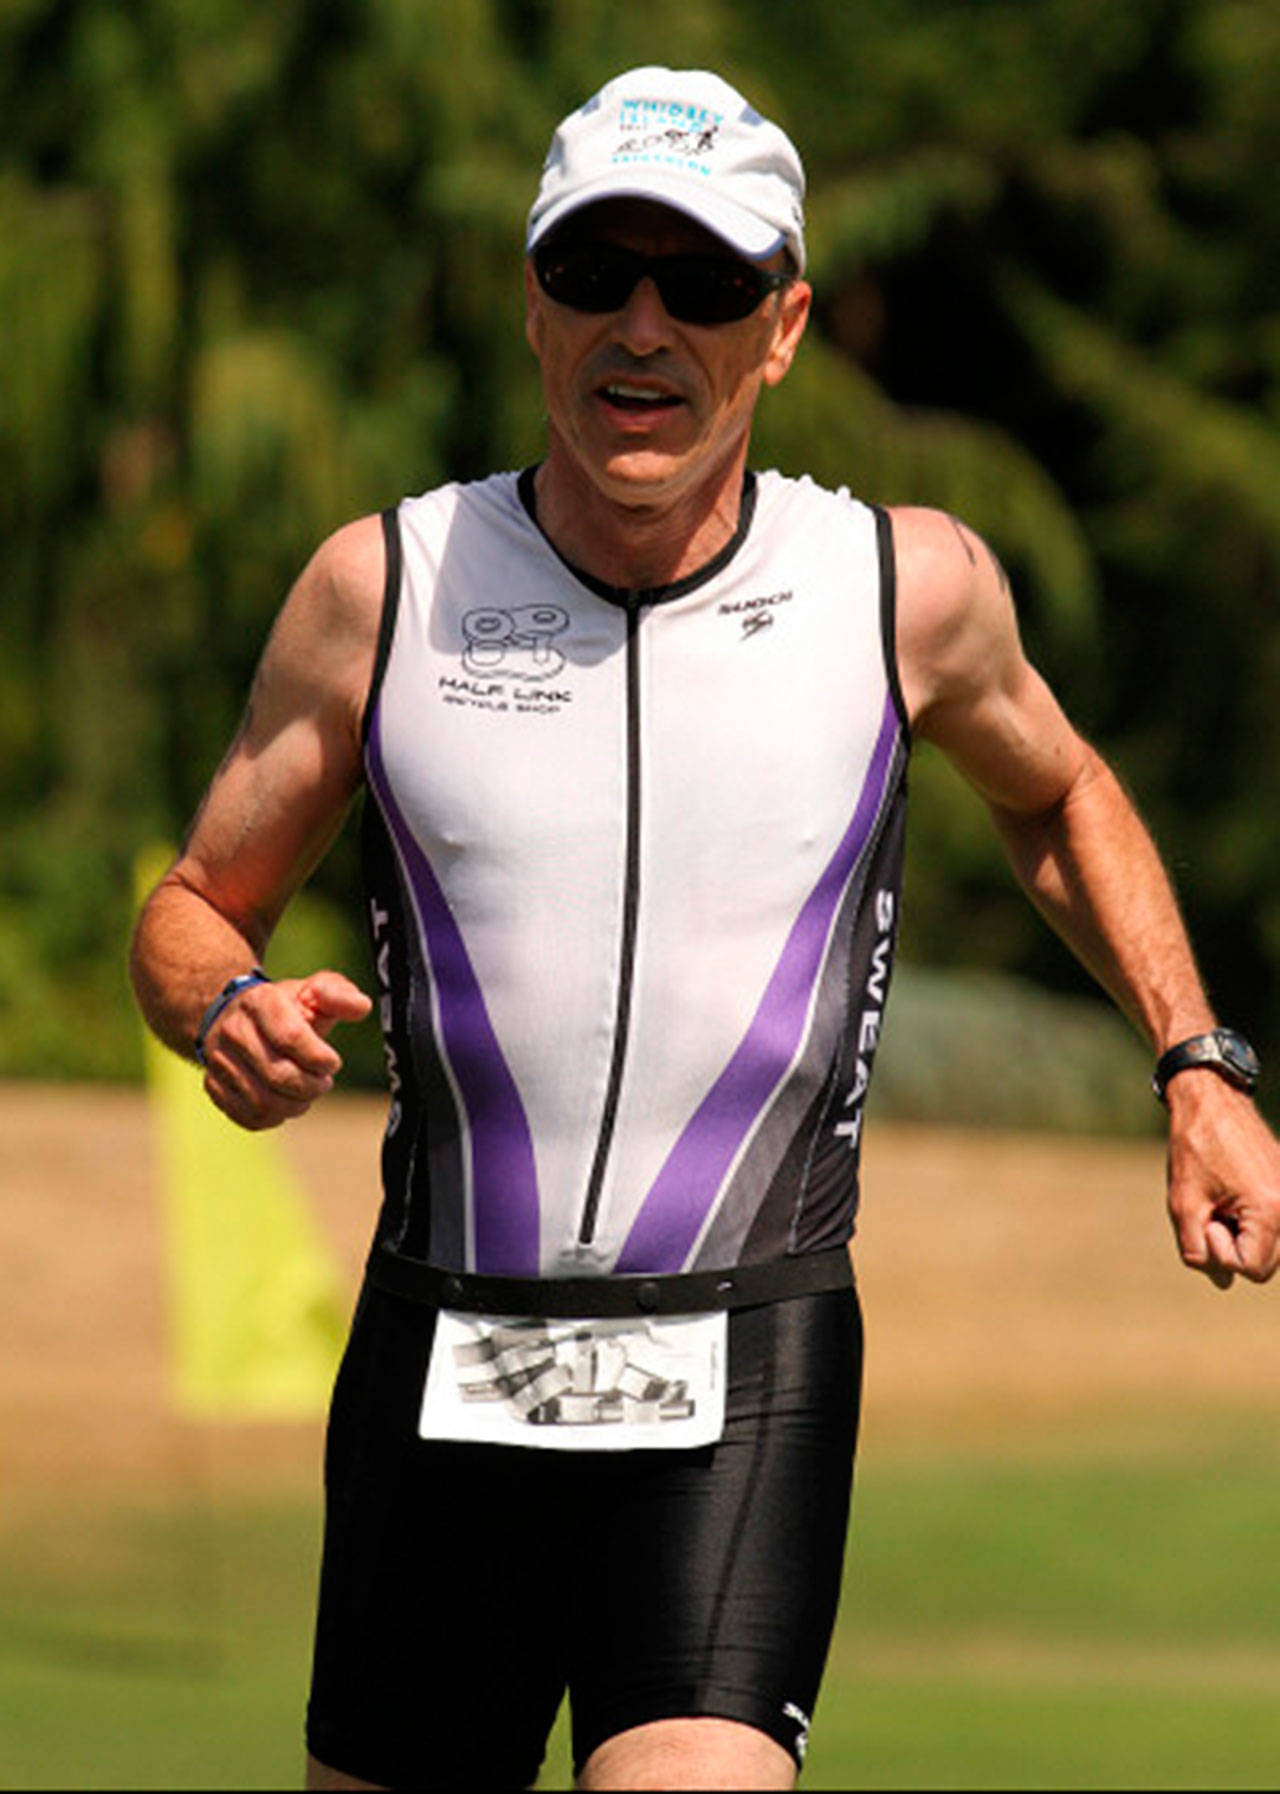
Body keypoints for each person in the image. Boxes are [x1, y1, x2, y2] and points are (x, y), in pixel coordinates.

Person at [131, 65, 1280, 1792]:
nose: (644, 326)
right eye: (595, 273)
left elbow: (1060, 796)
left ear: (785, 325)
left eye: (707, 282)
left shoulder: (903, 590)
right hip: (440, 1357)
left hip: (744, 1363)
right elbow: (190, 907)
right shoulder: (385, 588)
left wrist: (1196, 1061)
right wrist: (222, 1002)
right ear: (533, 303)